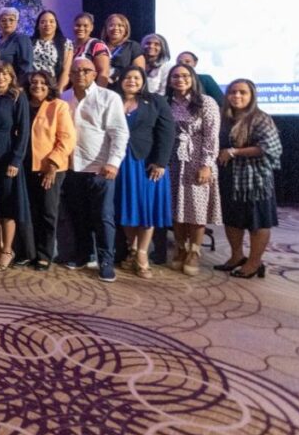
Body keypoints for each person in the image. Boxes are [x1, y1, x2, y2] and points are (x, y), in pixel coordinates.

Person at [61, 58, 129, 283]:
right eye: (75, 71)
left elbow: (119, 133)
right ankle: (84, 254)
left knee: (103, 217)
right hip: (72, 167)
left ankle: (106, 261)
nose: (80, 74)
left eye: (85, 70)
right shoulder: (64, 98)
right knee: (78, 215)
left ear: (94, 74)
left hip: (100, 168)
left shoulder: (109, 97)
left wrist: (113, 162)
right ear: (70, 75)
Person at [112, 66, 175, 279]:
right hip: (120, 162)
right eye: (127, 77)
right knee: (126, 207)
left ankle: (142, 254)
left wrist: (160, 162)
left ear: (143, 81)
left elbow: (167, 132)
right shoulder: (112, 99)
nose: (132, 81)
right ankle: (132, 247)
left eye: (136, 78)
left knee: (146, 209)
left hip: (147, 163)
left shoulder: (156, 101)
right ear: (120, 80)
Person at [216, 79, 282, 279]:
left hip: (254, 181)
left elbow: (270, 147)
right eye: (232, 92)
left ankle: (254, 263)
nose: (237, 96)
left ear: (252, 96)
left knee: (257, 222)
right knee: (232, 219)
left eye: (242, 92)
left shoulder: (260, 118)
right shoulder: (223, 118)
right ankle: (237, 257)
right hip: (228, 178)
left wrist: (235, 152)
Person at [165, 63, 222, 276]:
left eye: (185, 76)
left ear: (193, 78)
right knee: (176, 208)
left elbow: (211, 136)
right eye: (175, 76)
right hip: (173, 160)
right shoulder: (166, 102)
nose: (180, 79)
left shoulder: (206, 102)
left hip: (197, 160)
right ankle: (180, 248)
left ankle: (195, 251)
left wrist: (206, 164)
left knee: (196, 209)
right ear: (170, 81)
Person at [22, 70, 76, 271]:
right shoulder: (23, 105)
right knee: (30, 211)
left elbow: (67, 139)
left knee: (48, 212)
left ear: (49, 85)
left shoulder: (58, 106)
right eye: (34, 82)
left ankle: (44, 255)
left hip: (49, 168)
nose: (37, 85)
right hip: (25, 167)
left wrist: (52, 165)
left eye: (42, 82)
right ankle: (30, 252)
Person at [0, 62, 31, 271]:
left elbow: (24, 131)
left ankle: (7, 250)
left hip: (7, 154)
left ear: (11, 77)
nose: (0, 77)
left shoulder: (17, 97)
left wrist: (16, 160)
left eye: (4, 74)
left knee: (7, 205)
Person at [31, 10, 72, 94]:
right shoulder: (29, 42)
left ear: (56, 25)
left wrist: (59, 91)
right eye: (43, 22)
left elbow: (66, 70)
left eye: (51, 21)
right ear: (38, 26)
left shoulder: (66, 43)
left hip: (52, 88)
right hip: (32, 87)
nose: (47, 24)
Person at [101, 13, 145, 84]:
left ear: (126, 29)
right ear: (106, 29)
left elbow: (139, 72)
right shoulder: (99, 46)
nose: (116, 28)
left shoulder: (133, 46)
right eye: (111, 25)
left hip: (123, 86)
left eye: (120, 25)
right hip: (101, 85)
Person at [70, 13, 111, 87]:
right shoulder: (68, 45)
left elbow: (104, 72)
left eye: (85, 26)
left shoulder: (97, 45)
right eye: (78, 25)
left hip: (90, 90)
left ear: (91, 27)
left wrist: (97, 92)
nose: (81, 28)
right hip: (69, 90)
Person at [0, 8, 34, 79]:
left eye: (11, 20)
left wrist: (21, 84)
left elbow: (26, 65)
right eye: (3, 20)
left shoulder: (22, 39)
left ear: (17, 22)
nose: (7, 23)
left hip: (15, 83)